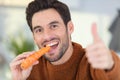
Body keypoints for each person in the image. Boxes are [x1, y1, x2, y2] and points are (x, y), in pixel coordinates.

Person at [10, 0, 120, 80]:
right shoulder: (29, 71)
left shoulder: (92, 65)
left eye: (53, 26)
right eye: (39, 30)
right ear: (34, 37)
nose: (47, 36)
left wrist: (111, 64)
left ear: (70, 28)